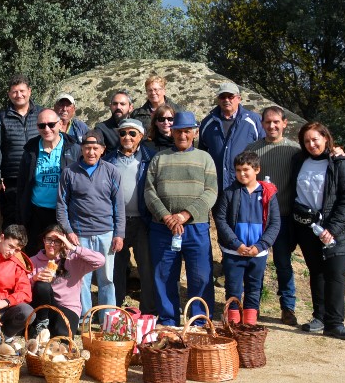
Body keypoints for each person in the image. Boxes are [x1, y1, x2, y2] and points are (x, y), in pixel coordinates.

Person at [144, 111, 218, 326]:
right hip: (163, 228)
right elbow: (149, 192)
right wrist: (166, 216)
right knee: (165, 276)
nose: (182, 135)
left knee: (201, 277)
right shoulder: (159, 158)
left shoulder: (205, 158)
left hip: (196, 227)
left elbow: (211, 191)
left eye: (187, 131)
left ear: (194, 132)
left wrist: (186, 214)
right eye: (178, 131)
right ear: (172, 132)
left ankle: (199, 322)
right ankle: (168, 322)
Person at [286, 122, 345, 340]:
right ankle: (319, 317)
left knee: (334, 275)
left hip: (336, 229)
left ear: (326, 138)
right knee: (316, 272)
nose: (311, 144)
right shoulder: (299, 160)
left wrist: (332, 229)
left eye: (315, 139)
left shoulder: (341, 163)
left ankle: (335, 324)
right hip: (307, 227)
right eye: (307, 141)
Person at [56, 130, 124, 319]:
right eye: (87, 148)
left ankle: (108, 319)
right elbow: (61, 206)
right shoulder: (69, 172)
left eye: (95, 148)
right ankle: (84, 318)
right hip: (79, 235)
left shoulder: (111, 171)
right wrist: (69, 231)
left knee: (107, 278)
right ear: (81, 149)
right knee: (82, 280)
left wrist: (119, 233)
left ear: (102, 149)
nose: (91, 152)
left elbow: (119, 205)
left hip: (106, 233)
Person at [245, 106, 302, 326]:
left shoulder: (294, 151)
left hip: (284, 218)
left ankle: (288, 308)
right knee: (255, 264)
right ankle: (252, 307)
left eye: (276, 122)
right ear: (262, 124)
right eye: (268, 122)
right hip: (256, 218)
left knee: (283, 263)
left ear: (284, 123)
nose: (272, 126)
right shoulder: (253, 149)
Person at [214, 151, 281, 326]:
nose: (241, 174)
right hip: (234, 252)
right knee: (233, 288)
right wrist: (236, 244)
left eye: (246, 169)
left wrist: (261, 246)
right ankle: (233, 325)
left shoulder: (268, 193)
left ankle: (250, 324)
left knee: (254, 288)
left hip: (257, 254)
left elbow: (275, 223)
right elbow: (220, 220)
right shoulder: (229, 193)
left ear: (257, 169)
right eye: (237, 170)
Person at [104, 119, 157, 314]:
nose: (127, 137)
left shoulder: (151, 159)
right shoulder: (108, 160)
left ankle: (149, 312)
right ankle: (114, 310)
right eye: (123, 133)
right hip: (117, 222)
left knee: (146, 267)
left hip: (143, 220)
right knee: (116, 268)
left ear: (141, 137)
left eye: (132, 133)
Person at [17, 109, 79, 256]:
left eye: (51, 124)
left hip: (63, 212)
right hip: (36, 211)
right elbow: (22, 184)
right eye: (42, 126)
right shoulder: (30, 150)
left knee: (63, 254)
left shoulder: (74, 149)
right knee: (35, 252)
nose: (47, 129)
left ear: (60, 124)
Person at [28, 226, 105, 337]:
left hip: (68, 306)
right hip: (43, 307)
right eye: (49, 239)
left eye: (57, 241)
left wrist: (73, 248)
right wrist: (34, 278)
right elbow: (22, 285)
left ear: (63, 242)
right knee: (42, 285)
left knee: (62, 335)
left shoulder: (73, 259)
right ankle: (42, 323)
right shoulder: (34, 260)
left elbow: (100, 261)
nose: (52, 244)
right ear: (44, 240)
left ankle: (52, 330)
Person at [0, 74, 41, 226]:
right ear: (9, 94)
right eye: (14, 92)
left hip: (38, 176)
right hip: (11, 180)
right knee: (11, 222)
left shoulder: (41, 114)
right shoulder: (1, 118)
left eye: (22, 90)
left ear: (29, 91)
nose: (19, 95)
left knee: (37, 222)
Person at [199, 81, 263, 193]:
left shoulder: (253, 121)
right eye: (222, 97)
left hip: (245, 188)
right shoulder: (207, 123)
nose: (226, 100)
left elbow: (262, 149)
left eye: (230, 96)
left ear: (239, 98)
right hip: (215, 188)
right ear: (218, 100)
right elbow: (202, 153)